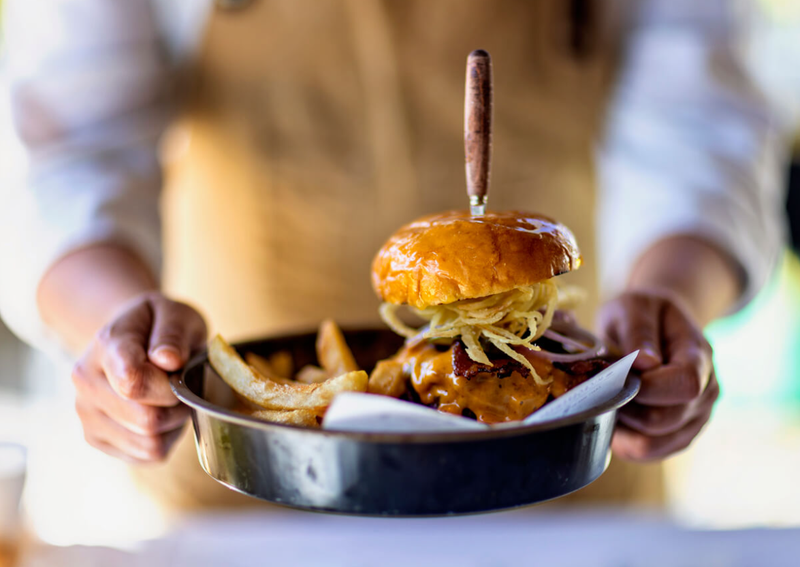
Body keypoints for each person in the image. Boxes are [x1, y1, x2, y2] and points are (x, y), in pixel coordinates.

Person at [0, 0, 786, 509]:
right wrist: (119, 330)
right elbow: (69, 141)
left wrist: (666, 297)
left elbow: (700, 121)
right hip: (249, 480)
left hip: (563, 482)